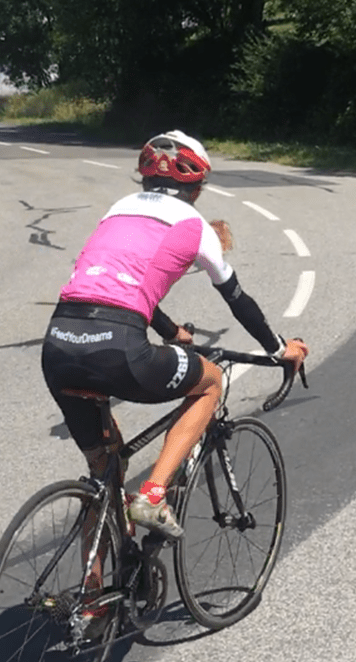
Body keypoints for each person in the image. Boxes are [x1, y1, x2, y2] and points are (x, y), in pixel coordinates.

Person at [41, 130, 308, 540]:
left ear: (144, 180)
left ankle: (92, 601)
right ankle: (152, 495)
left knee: (104, 475)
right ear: (197, 187)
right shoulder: (195, 225)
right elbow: (237, 298)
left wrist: (171, 332)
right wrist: (278, 350)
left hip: (59, 343)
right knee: (210, 383)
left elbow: (119, 285)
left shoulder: (116, 210)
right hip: (120, 349)